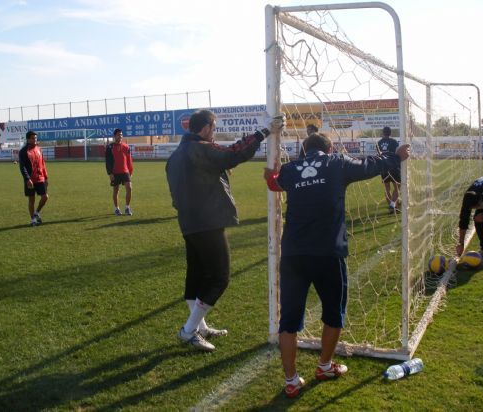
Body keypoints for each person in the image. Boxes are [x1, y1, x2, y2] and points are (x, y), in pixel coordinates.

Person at [263, 133, 410, 397]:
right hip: (328, 253)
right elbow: (372, 164)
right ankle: (325, 366)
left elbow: (275, 184)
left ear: (303, 152)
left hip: (294, 254)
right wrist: (396, 155)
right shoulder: (337, 163)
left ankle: (291, 380)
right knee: (334, 312)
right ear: (329, 149)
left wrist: (269, 174)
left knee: (289, 319)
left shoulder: (289, 170)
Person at [166, 109, 284, 352]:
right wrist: (264, 132)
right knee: (220, 277)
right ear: (207, 127)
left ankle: (199, 326)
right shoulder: (198, 148)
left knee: (196, 274)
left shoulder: (175, 156)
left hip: (189, 222)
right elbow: (232, 153)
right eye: (214, 127)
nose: (214, 132)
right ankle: (188, 330)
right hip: (207, 221)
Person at [456, 176, 483, 264]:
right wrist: (461, 243)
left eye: (474, 207)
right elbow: (463, 221)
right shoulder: (468, 197)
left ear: (479, 203)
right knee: (477, 218)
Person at [19, 130, 49, 226]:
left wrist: (46, 177)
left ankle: (36, 213)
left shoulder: (39, 149)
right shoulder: (23, 151)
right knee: (31, 200)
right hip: (30, 180)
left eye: (36, 138)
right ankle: (33, 219)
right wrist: (27, 179)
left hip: (40, 178)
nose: (35, 139)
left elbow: (43, 163)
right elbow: (22, 166)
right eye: (33, 138)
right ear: (28, 139)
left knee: (45, 197)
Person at [105, 128, 134, 216]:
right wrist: (110, 173)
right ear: (114, 136)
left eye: (121, 135)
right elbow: (108, 162)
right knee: (116, 190)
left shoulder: (126, 146)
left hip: (125, 171)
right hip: (115, 172)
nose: (120, 136)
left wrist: (131, 171)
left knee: (129, 188)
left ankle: (127, 207)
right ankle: (116, 208)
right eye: (118, 135)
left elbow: (129, 160)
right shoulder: (110, 147)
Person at [377, 126, 401, 212]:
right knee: (397, 187)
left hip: (383, 168)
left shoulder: (378, 143)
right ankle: (392, 204)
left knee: (387, 189)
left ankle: (392, 208)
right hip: (393, 167)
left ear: (383, 133)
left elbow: (378, 155)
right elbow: (398, 153)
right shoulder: (394, 142)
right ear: (390, 133)